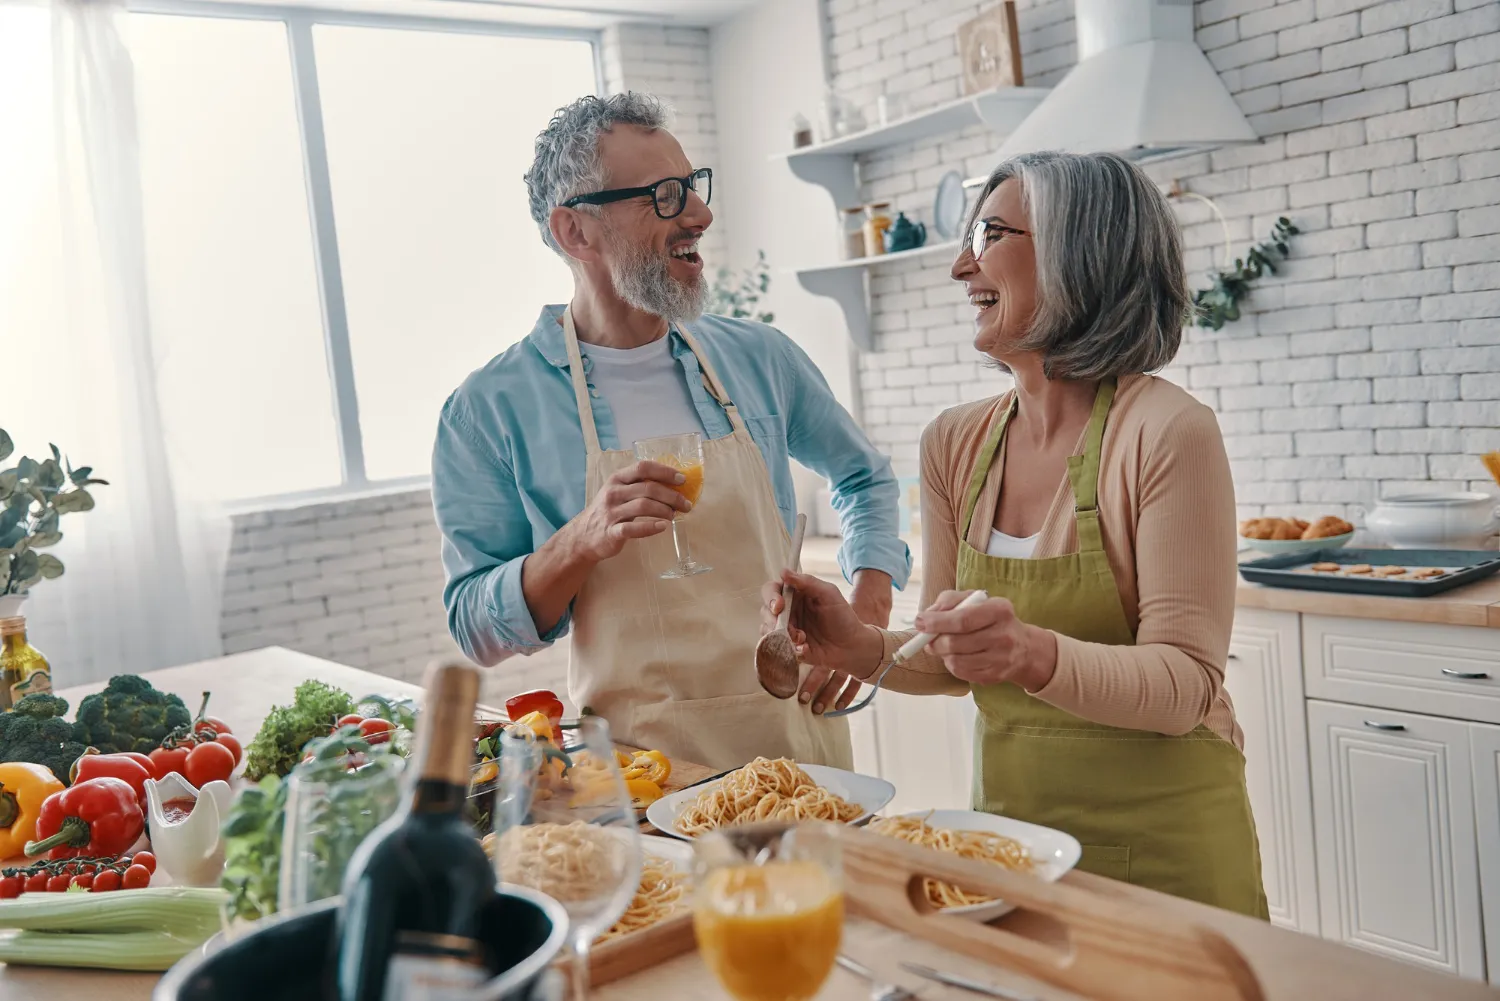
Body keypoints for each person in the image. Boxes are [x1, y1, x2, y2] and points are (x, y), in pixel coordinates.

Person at [762, 150, 1268, 917]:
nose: (961, 266)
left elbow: (1185, 686)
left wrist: (1033, 652)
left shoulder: (1167, 432)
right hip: (1008, 845)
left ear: (1077, 255)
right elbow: (952, 661)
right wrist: (857, 646)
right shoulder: (955, 444)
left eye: (991, 234)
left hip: (1168, 852)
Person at [432, 92, 909, 771]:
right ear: (575, 232)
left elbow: (863, 476)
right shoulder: (488, 409)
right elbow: (475, 627)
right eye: (664, 195)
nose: (700, 214)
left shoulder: (758, 358)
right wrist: (578, 541)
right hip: (641, 782)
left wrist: (868, 610)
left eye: (692, 186)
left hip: (800, 757)